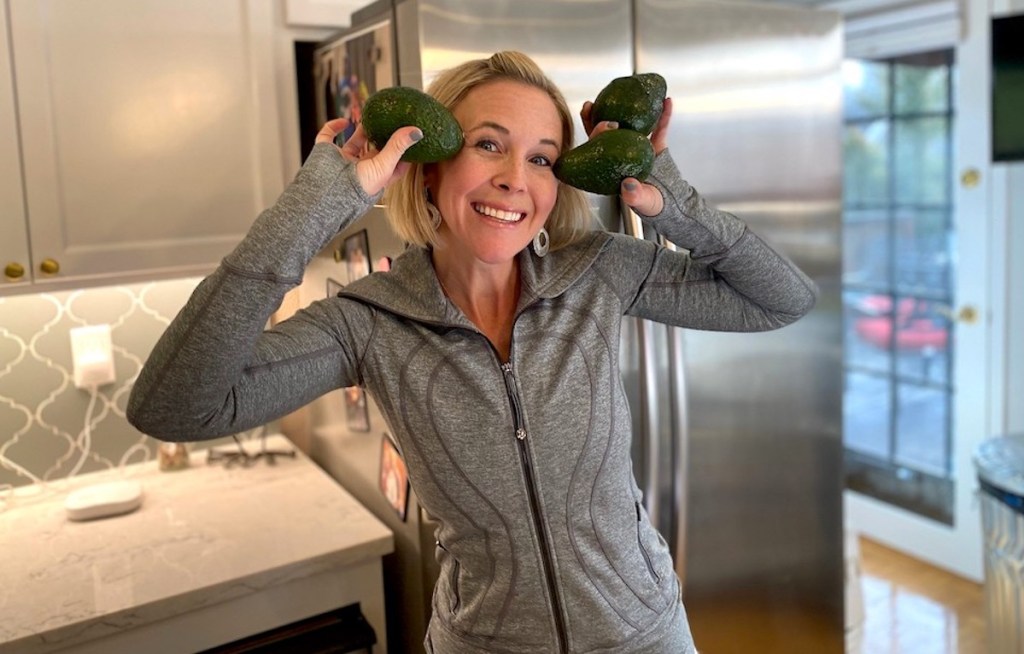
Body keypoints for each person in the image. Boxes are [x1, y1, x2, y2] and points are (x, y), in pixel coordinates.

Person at [127, 51, 817, 654]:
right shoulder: (367, 323)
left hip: (648, 637)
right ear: (427, 167)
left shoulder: (598, 271)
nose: (517, 177)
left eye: (542, 158)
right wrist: (315, 206)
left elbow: (781, 299)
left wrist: (672, 201)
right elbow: (175, 407)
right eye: (490, 145)